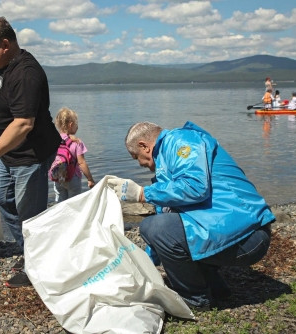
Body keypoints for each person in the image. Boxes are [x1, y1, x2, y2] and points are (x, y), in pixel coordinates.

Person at [107, 121, 275, 310]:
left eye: (136, 157)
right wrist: (145, 263)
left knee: (152, 226)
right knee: (167, 226)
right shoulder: (166, 165)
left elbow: (195, 188)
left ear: (144, 146)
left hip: (249, 234)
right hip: (233, 232)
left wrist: (143, 194)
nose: (140, 164)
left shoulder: (181, 141)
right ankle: (215, 288)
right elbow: (167, 224)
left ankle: (195, 299)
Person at [0, 15, 61, 288]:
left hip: (29, 156)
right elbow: (7, 107)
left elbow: (24, 123)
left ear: (5, 43)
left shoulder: (25, 73)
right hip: (10, 154)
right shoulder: (6, 66)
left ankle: (36, 265)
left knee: (30, 214)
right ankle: (31, 250)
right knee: (1, 199)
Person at [52, 107, 95, 202]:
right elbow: (82, 163)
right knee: (74, 204)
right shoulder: (76, 142)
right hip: (73, 178)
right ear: (71, 125)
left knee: (60, 204)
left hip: (58, 177)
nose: (77, 127)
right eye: (76, 124)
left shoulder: (54, 139)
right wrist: (90, 179)